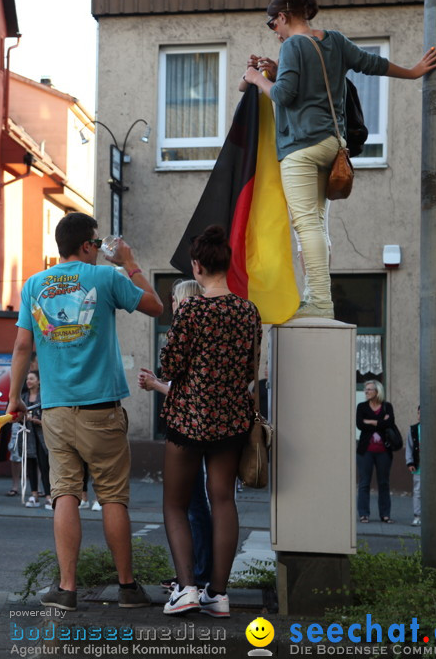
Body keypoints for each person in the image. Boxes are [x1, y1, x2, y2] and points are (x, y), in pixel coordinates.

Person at [241, 0, 436, 319]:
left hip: (301, 148)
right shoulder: (334, 40)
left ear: (282, 17)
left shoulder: (293, 44)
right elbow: (371, 63)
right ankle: (316, 296)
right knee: (318, 225)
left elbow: (284, 96)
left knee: (306, 225)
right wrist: (413, 71)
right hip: (333, 145)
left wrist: (255, 79)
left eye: (271, 24)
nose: (274, 31)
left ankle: (319, 299)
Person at [6, 211, 163, 612]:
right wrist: (127, 261)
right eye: (97, 243)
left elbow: (23, 347)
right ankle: (127, 589)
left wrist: (14, 397)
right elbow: (156, 307)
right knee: (112, 498)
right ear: (89, 245)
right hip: (102, 409)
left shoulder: (34, 285)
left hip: (56, 410)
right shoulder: (106, 278)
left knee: (65, 496)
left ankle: (67, 589)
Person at [158, 248, 260, 620]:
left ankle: (185, 589)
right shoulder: (248, 311)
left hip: (189, 417)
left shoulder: (191, 310)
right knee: (223, 502)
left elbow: (169, 364)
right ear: (227, 266)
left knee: (175, 504)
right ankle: (218, 595)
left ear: (197, 268)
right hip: (231, 419)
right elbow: (251, 367)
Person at [137, 280, 214, 591]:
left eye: (175, 300)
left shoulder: (190, 334)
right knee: (198, 503)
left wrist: (157, 384)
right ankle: (198, 573)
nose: (172, 306)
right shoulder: (210, 333)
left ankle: (195, 575)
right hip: (204, 428)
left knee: (190, 505)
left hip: (190, 431)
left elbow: (192, 392)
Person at [356, 379, 398, 524]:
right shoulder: (361, 407)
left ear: (377, 391)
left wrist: (371, 421)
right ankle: (363, 514)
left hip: (383, 452)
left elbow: (389, 422)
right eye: (365, 389)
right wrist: (379, 422)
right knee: (364, 483)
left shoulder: (387, 407)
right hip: (365, 452)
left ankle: (385, 515)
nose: (366, 391)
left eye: (369, 389)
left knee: (384, 483)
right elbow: (360, 424)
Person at [20, 370, 50, 509]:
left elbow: (50, 418)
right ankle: (34, 495)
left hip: (42, 436)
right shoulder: (23, 397)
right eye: (27, 379)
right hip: (28, 436)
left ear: (38, 381)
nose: (28, 381)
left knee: (45, 466)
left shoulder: (44, 397)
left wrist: (37, 421)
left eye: (31, 378)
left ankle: (49, 496)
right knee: (30, 464)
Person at [406, 406, 421, 526]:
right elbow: (409, 447)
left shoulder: (435, 429)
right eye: (418, 413)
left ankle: (431, 515)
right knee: (418, 492)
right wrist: (410, 462)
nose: (420, 416)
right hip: (418, 467)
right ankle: (417, 515)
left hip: (433, 469)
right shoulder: (414, 429)